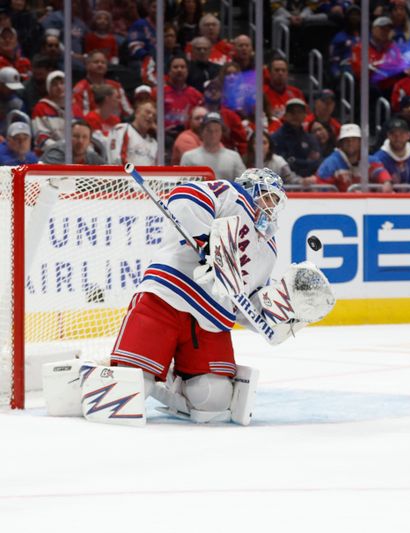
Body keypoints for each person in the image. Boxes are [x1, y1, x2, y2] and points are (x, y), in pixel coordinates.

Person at [108, 168, 331, 425]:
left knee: (213, 401)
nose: (271, 206)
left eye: (276, 201)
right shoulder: (231, 194)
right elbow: (186, 196)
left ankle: (170, 381)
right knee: (129, 392)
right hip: (168, 298)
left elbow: (244, 298)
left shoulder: (269, 248)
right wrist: (206, 240)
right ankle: (95, 374)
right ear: (253, 187)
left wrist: (279, 313)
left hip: (211, 321)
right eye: (269, 197)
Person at [314, 123, 392, 192]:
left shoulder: (370, 160)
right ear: (341, 143)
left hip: (366, 205)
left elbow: (380, 171)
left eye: (354, 140)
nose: (350, 143)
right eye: (347, 140)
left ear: (360, 142)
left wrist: (386, 181)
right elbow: (322, 187)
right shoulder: (330, 163)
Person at [180, 112, 247, 181]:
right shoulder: (189, 157)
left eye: (216, 130)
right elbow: (183, 186)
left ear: (222, 132)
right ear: (202, 131)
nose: (213, 134)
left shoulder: (234, 157)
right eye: (209, 130)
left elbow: (243, 184)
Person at [373, 117, 410, 191]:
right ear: (388, 136)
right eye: (393, 134)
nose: (397, 138)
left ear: (408, 135)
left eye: (401, 134)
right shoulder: (378, 159)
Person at [72, 50, 132, 119]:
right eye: (96, 62)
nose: (100, 65)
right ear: (87, 65)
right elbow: (80, 115)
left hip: (115, 125)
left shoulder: (116, 86)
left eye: (103, 63)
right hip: (91, 124)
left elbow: (128, 112)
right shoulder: (80, 88)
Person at [271, 98, 322, 178]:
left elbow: (316, 162)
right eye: (292, 112)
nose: (296, 116)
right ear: (285, 115)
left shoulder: (310, 138)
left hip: (308, 182)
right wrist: (305, 162)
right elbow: (282, 163)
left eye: (299, 112)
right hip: (284, 182)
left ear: (305, 115)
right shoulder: (276, 137)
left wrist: (294, 160)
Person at [107, 100, 158, 166]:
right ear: (137, 112)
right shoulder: (122, 129)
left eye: (154, 115)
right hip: (124, 175)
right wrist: (136, 176)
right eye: (147, 112)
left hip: (146, 176)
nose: (151, 116)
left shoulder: (154, 144)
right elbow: (116, 161)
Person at [40, 118, 106, 164]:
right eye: (76, 136)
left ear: (90, 141)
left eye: (84, 137)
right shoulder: (55, 152)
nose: (80, 141)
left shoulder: (91, 157)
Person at [31, 70, 65, 153]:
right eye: (54, 84)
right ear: (48, 88)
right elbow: (41, 138)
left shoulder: (75, 107)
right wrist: (62, 150)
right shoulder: (40, 108)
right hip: (48, 155)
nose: (59, 87)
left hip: (73, 153)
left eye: (62, 83)